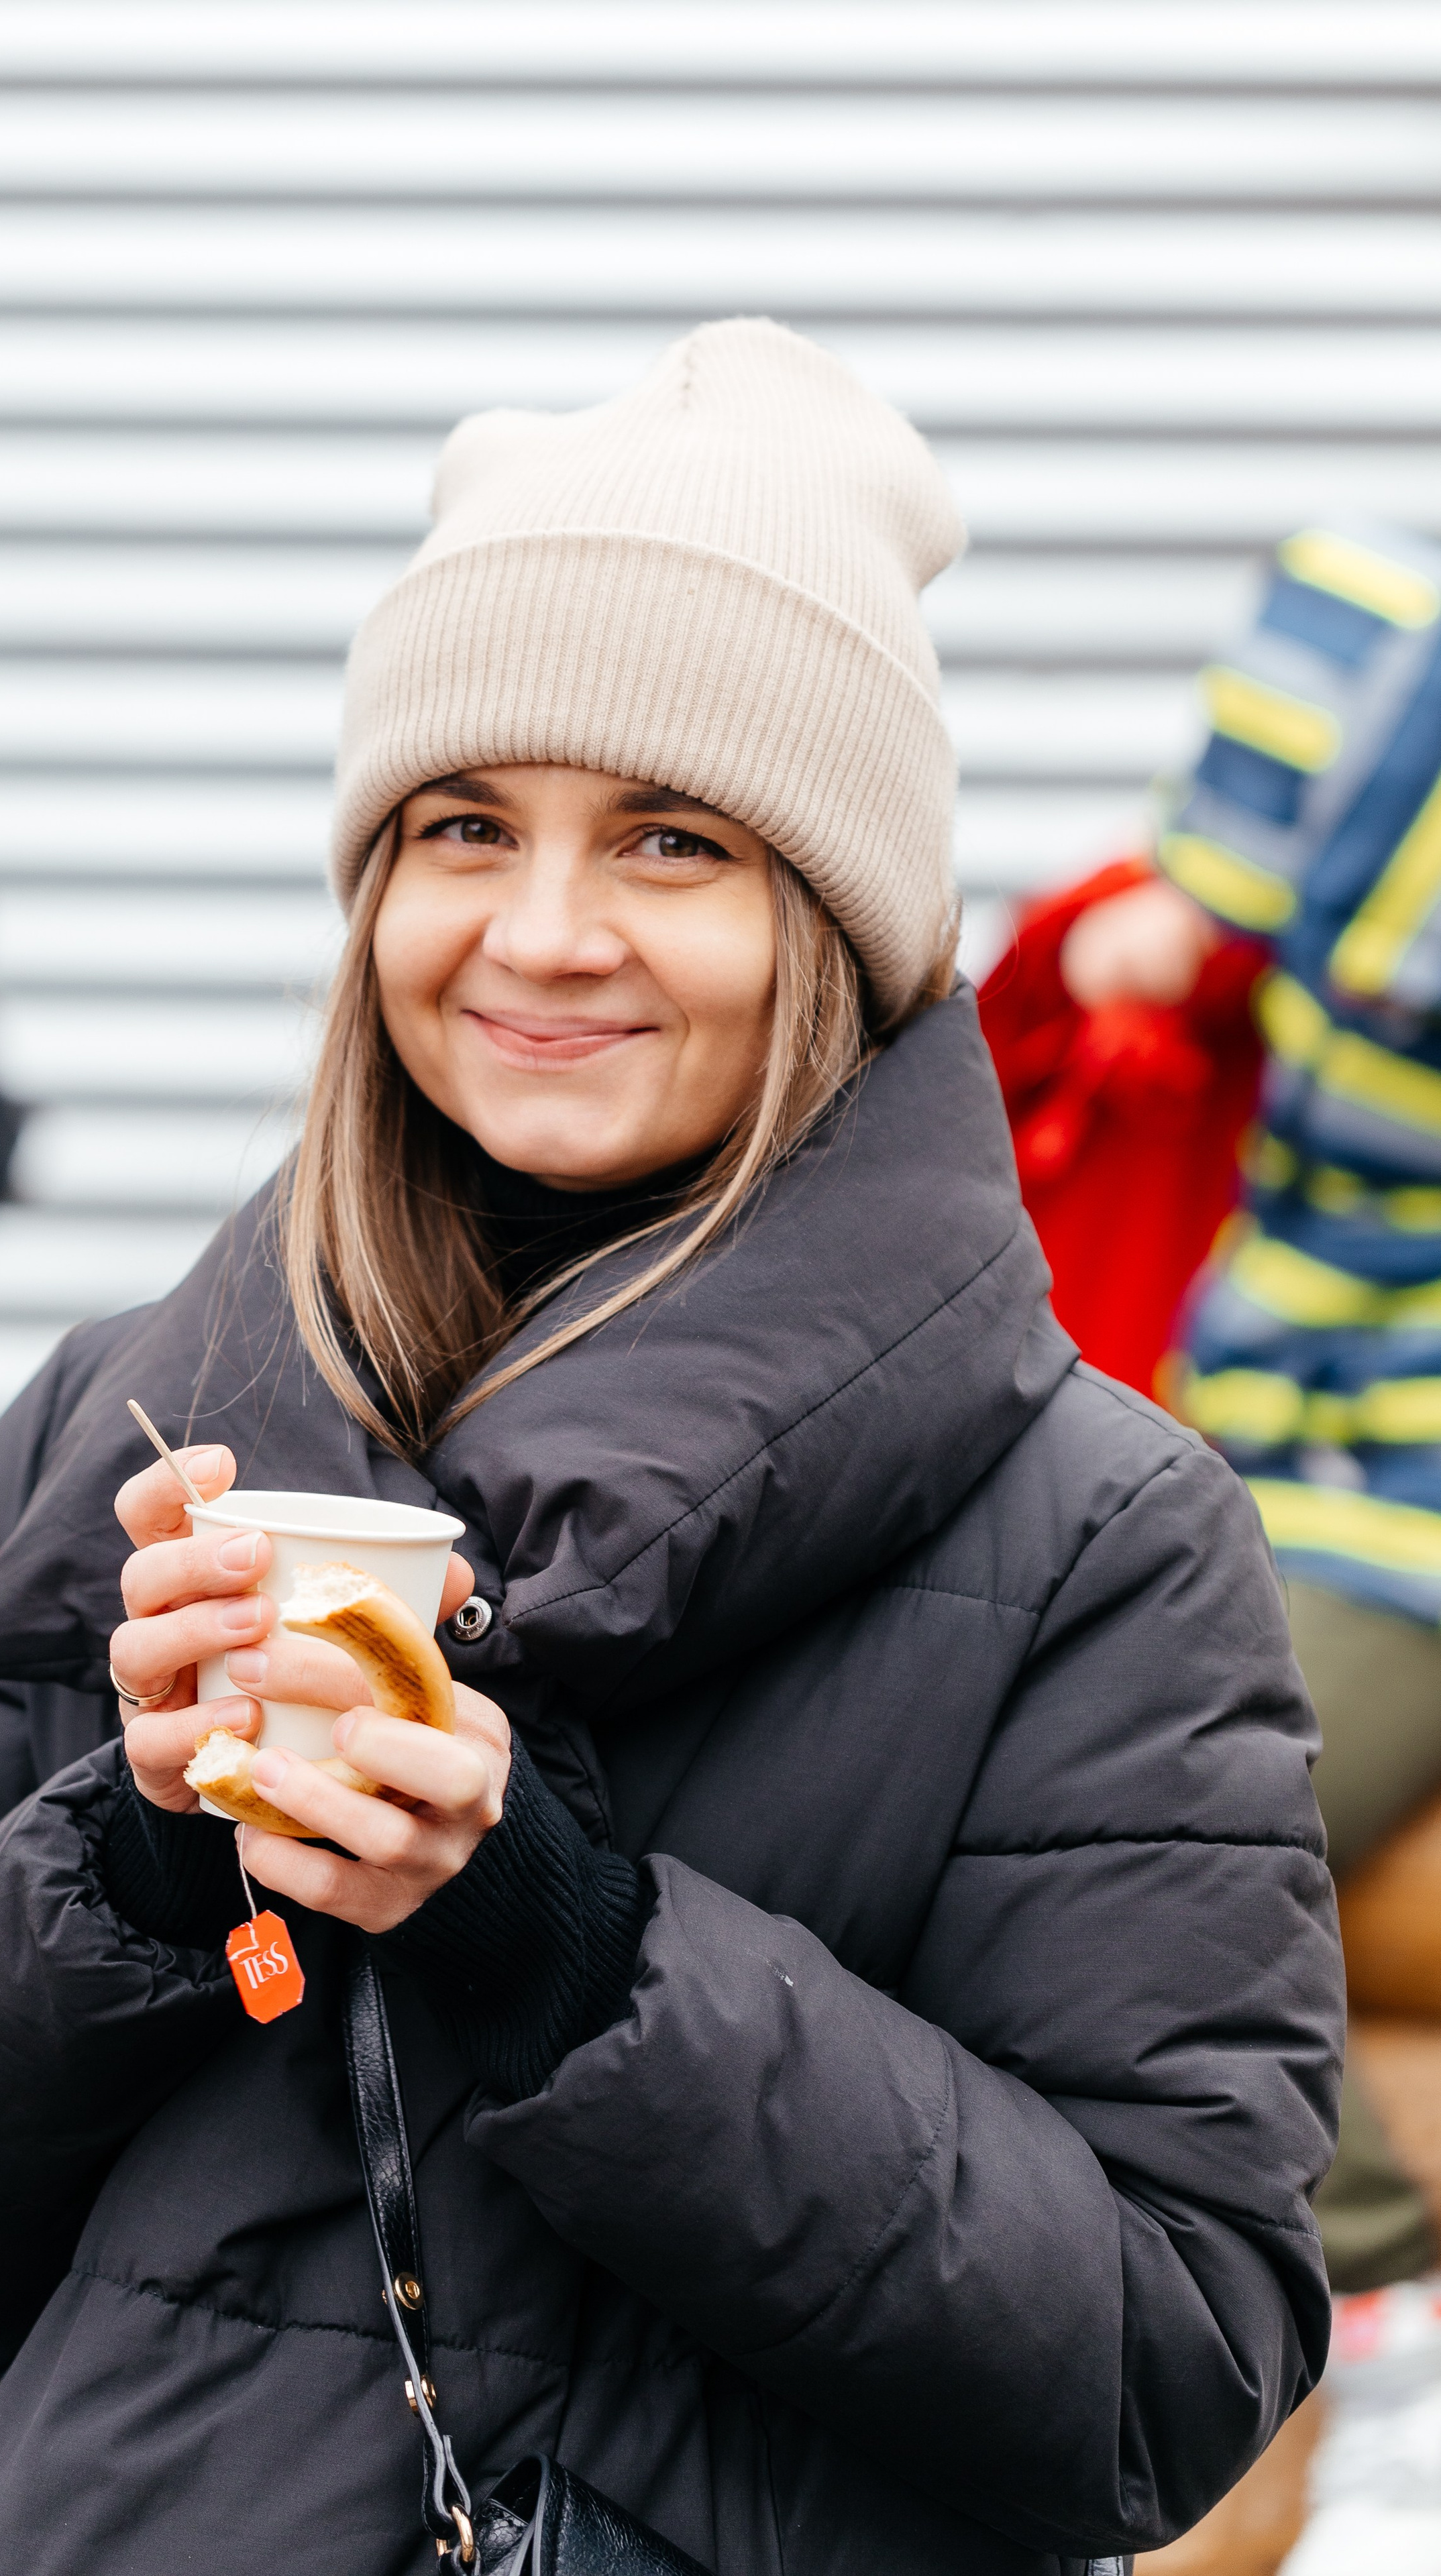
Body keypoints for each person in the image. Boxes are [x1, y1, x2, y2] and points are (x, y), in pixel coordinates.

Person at [0, 322, 1340, 2576]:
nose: (544, 933)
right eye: (463, 827)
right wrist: (138, 1859)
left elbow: (1161, 2373)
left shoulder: (1104, 1545)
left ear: (838, 919)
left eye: (671, 840)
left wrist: (570, 1953)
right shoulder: (122, 1423)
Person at [1010, 524, 1441, 2574]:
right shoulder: (1369, 606)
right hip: (1260, 1440)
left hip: (1396, 1502)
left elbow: (1174, 944)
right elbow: (1163, 944)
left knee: (1190, 1806)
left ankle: (1386, 2298)